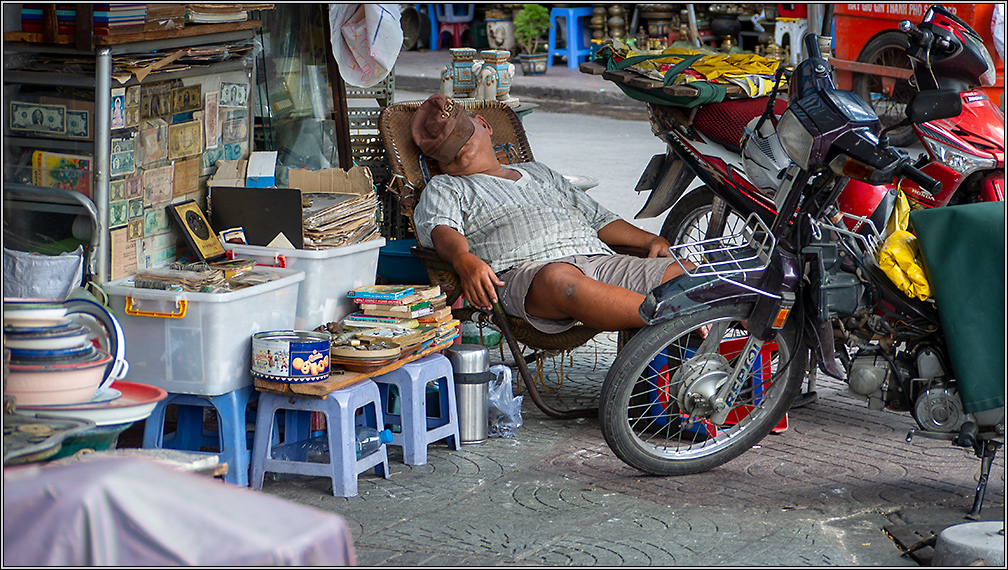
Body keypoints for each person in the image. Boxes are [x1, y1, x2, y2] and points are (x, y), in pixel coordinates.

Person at [410, 93, 689, 334]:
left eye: (462, 135)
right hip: (529, 274)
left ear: (484, 124)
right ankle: (674, 317)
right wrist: (463, 260)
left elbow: (598, 219)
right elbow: (442, 229)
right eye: (447, 151)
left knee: (687, 271)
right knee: (561, 280)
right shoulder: (446, 185)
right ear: (441, 164)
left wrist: (649, 240)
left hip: (597, 260)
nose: (459, 149)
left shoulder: (538, 172)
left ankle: (688, 323)